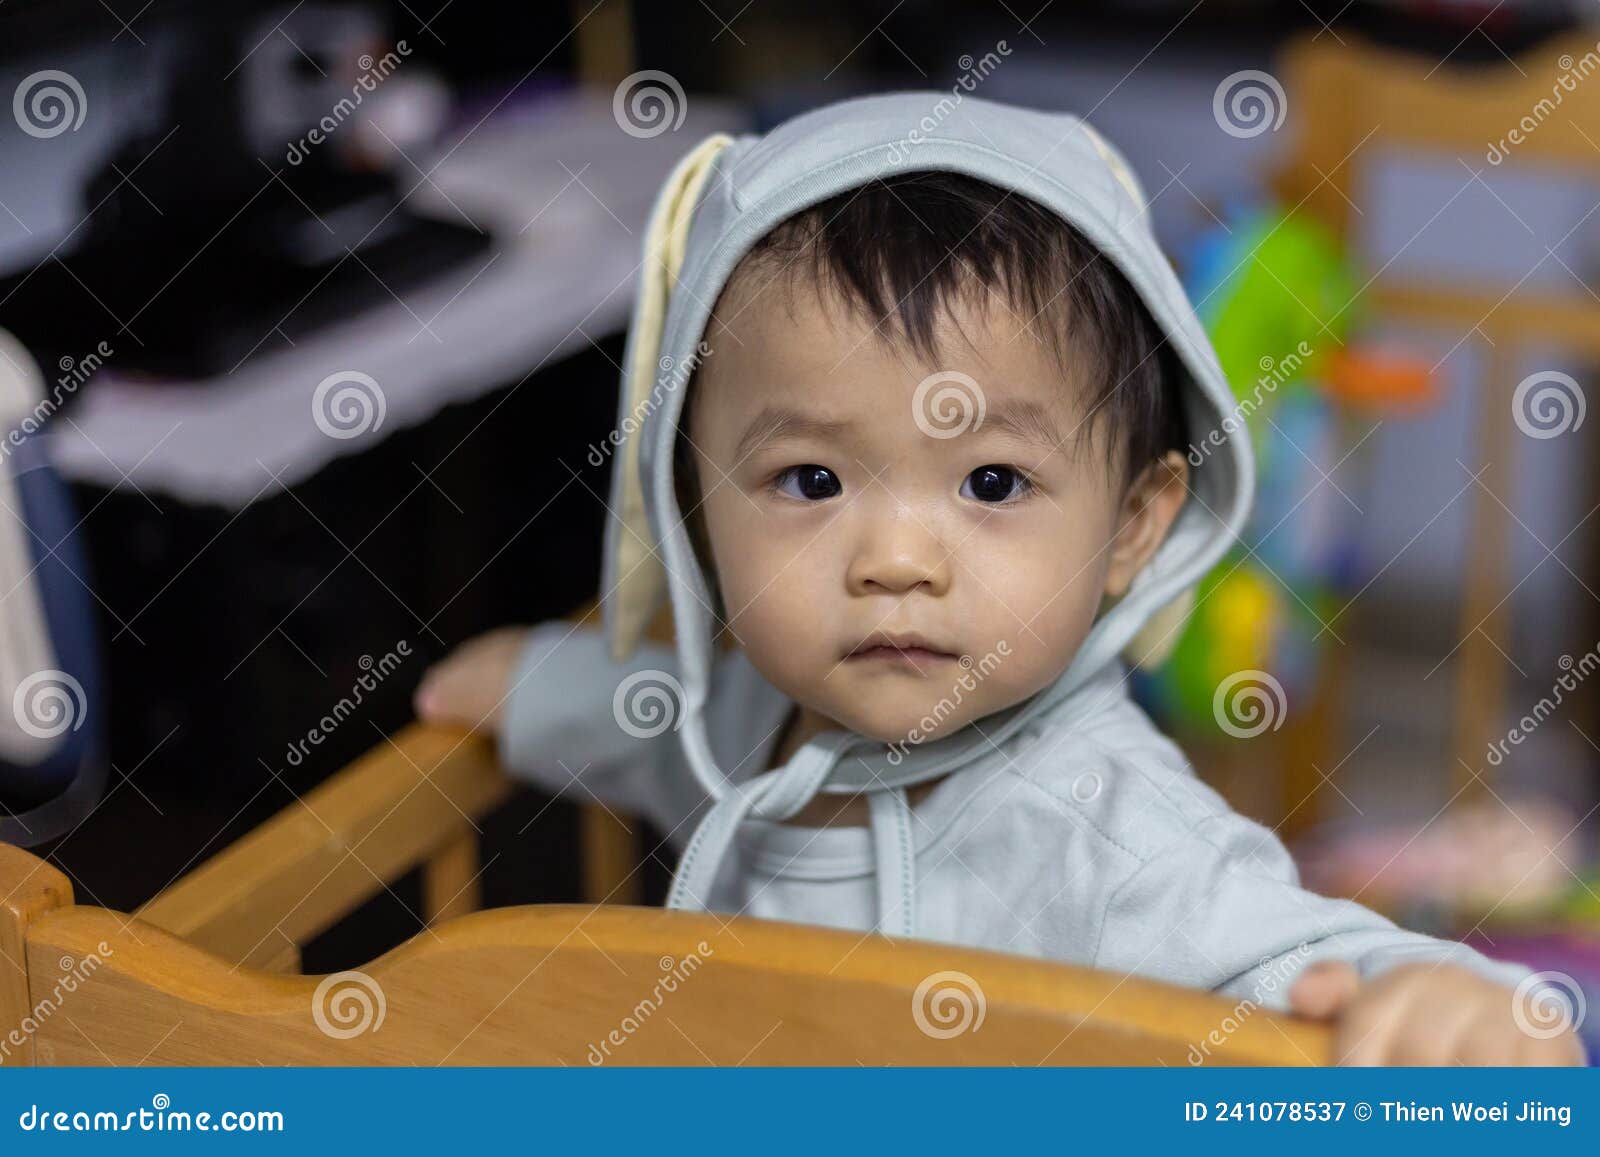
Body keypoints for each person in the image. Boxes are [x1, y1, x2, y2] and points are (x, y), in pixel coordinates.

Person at [415, 92, 1584, 1065]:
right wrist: (536, 690)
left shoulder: (1108, 830)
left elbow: (1289, 946)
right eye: (811, 479)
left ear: (1132, 524)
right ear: (695, 499)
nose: (894, 562)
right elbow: (659, 723)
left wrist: (1450, 1000)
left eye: (990, 484)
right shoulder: (763, 713)